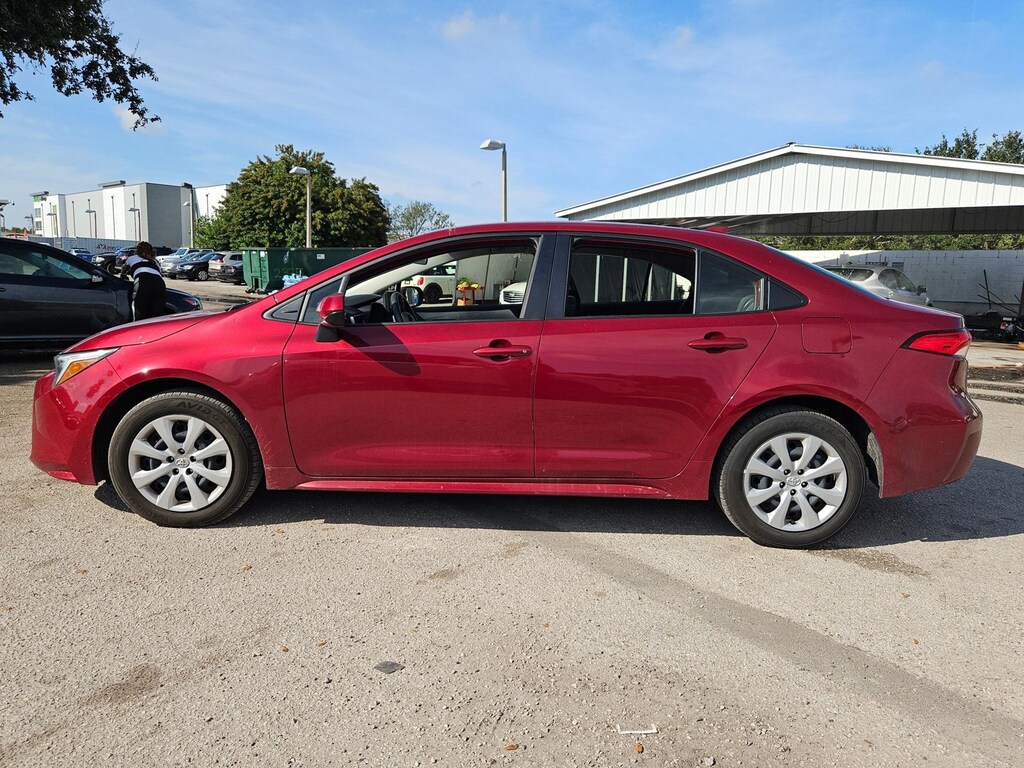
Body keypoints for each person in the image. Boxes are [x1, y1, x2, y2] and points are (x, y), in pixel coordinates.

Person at [123, 241, 166, 320]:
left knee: (139, 309)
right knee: (157, 312)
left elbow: (124, 269)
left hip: (143, 280)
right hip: (159, 283)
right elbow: (157, 273)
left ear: (138, 250)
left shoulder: (132, 258)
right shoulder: (155, 262)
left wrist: (123, 275)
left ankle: (138, 329)